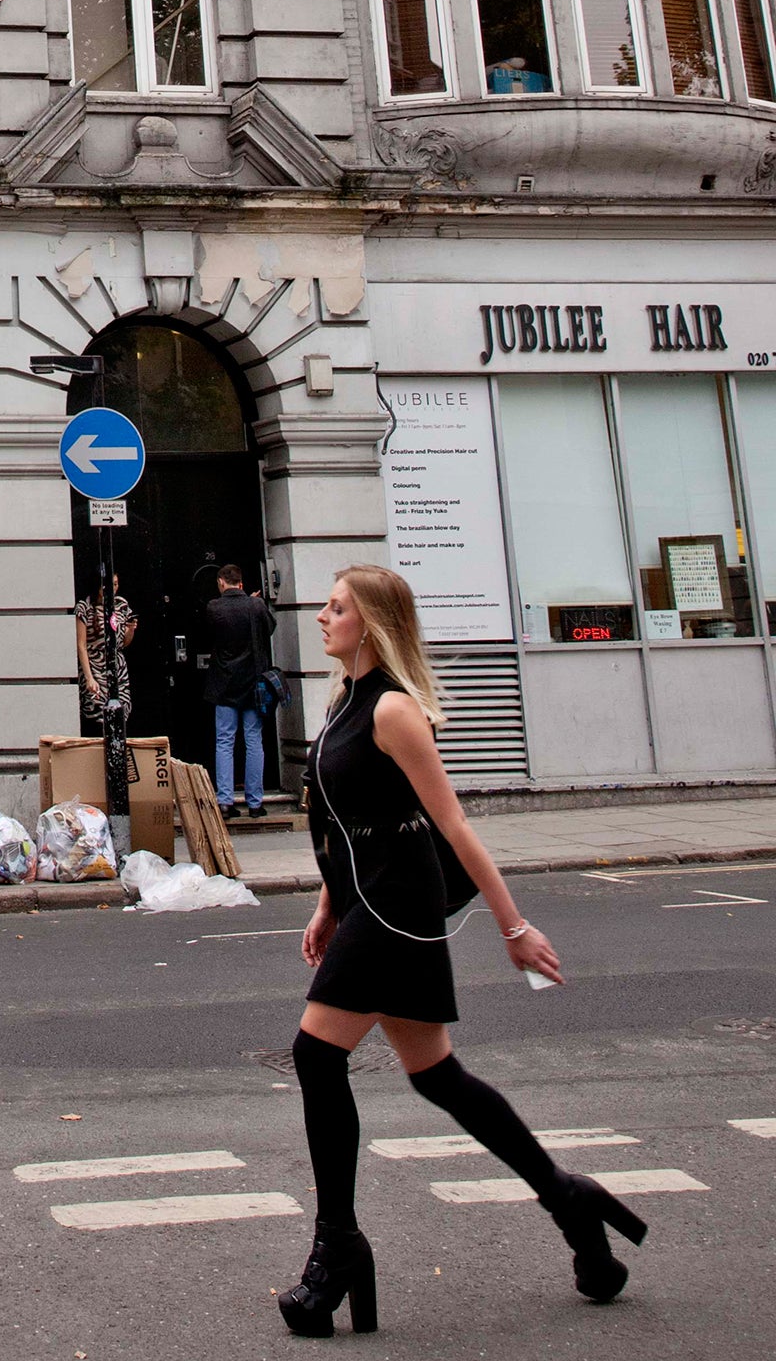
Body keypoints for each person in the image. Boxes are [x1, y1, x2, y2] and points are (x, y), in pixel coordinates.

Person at [278, 565, 646, 1339]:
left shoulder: (394, 711)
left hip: (397, 909)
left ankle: (337, 1247)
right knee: (438, 1076)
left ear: (371, 623)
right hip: (367, 902)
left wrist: (514, 929)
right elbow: (345, 824)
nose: (321, 616)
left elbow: (456, 825)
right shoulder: (343, 700)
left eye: (337, 607)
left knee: (316, 1056)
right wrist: (326, 906)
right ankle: (571, 1204)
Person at [203, 564, 275, 819]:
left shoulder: (214, 607)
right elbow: (270, 629)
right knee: (254, 740)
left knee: (225, 741)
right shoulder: (256, 606)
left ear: (222, 583)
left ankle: (225, 801)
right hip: (253, 683)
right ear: (241, 584)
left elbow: (210, 634)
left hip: (224, 683)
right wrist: (255, 605)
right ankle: (255, 803)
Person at [73, 576, 137, 735]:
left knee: (120, 712)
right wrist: (89, 677)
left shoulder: (121, 605)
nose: (113, 589)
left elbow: (123, 643)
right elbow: (81, 644)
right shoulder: (85, 607)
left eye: (115, 584)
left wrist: (130, 630)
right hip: (95, 663)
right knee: (97, 713)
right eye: (108, 585)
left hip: (117, 665)